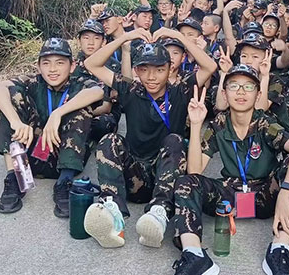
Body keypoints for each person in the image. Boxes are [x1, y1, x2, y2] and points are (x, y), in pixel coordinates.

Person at [83, 27, 217, 248]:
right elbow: (91, 64)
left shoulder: (180, 91)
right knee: (109, 140)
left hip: (166, 179)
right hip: (134, 176)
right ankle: (111, 212)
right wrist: (125, 37)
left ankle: (158, 213)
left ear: (170, 68)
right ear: (136, 70)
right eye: (144, 70)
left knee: (175, 140)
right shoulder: (130, 89)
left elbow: (210, 66)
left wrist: (179, 37)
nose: (151, 77)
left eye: (159, 70)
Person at [171, 65, 289, 275]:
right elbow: (195, 171)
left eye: (248, 86)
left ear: (258, 94)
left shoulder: (266, 123)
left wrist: (284, 193)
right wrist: (197, 125)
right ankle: (193, 254)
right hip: (230, 196)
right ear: (224, 93)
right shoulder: (219, 124)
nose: (241, 92)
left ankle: (279, 249)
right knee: (185, 182)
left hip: (265, 194)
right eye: (234, 86)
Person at [0, 38, 104, 216]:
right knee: (10, 100)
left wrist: (58, 113)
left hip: (64, 157)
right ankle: (14, 177)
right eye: (46, 63)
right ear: (39, 66)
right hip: (31, 157)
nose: (52, 69)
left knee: (81, 107)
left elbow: (97, 92)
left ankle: (64, 183)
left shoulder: (80, 83)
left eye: (60, 63)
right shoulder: (33, 81)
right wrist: (15, 121)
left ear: (72, 66)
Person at [72, 19, 122, 158]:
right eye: (86, 38)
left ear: (104, 42)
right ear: (79, 41)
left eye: (96, 38)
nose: (91, 42)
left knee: (103, 124)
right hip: (76, 112)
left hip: (101, 114)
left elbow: (106, 107)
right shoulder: (72, 66)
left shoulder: (113, 66)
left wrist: (80, 115)